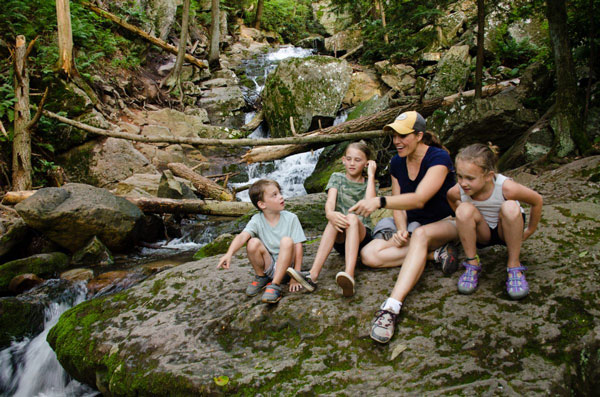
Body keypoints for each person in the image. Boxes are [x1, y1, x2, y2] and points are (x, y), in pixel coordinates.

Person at [349, 110, 459, 344]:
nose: (396, 142)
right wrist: (401, 230)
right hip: (412, 225)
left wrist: (379, 201)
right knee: (368, 255)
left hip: (445, 223)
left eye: (402, 135)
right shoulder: (397, 162)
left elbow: (419, 198)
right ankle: (433, 255)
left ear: (419, 135)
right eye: (394, 136)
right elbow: (399, 203)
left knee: (419, 234)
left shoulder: (439, 159)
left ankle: (391, 308)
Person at [446, 143, 543, 299]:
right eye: (460, 176)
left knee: (510, 207)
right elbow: (451, 198)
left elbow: (537, 200)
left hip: (506, 232)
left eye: (470, 178)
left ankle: (514, 265)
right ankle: (472, 264)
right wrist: (462, 219)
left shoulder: (506, 188)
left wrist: (530, 230)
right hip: (482, 234)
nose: (463, 183)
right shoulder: (459, 190)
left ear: (488, 176)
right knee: (463, 209)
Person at [286, 141, 378, 297]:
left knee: (352, 218)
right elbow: (330, 202)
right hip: (342, 238)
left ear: (366, 163)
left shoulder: (369, 184)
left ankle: (349, 275)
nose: (352, 163)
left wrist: (371, 176)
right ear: (343, 160)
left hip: (363, 238)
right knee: (334, 219)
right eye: (349, 159)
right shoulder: (337, 178)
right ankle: (313, 275)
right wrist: (330, 213)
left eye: (357, 160)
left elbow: (369, 205)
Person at [217, 179, 306, 304]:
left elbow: (298, 246)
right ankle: (262, 277)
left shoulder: (291, 218)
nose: (281, 197)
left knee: (287, 241)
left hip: (287, 268)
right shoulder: (257, 220)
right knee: (252, 242)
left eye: (279, 193)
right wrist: (229, 253)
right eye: (274, 195)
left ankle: (275, 285)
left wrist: (296, 276)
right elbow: (242, 236)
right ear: (262, 204)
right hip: (269, 266)